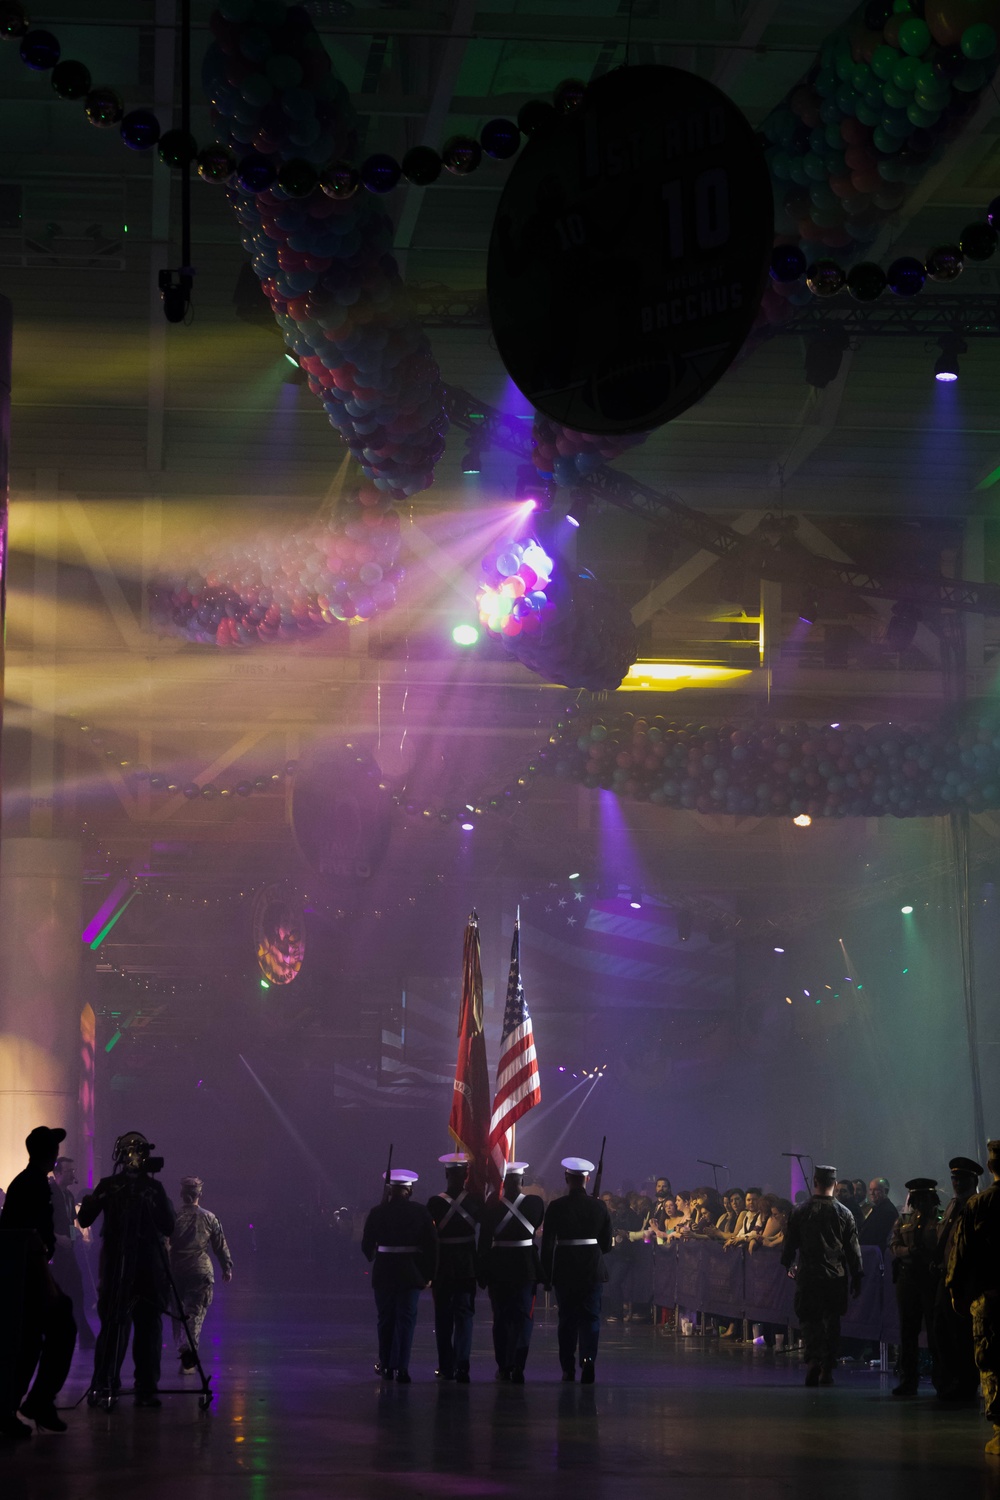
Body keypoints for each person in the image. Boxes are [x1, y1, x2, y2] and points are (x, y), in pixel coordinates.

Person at [78, 1130, 176, 1409]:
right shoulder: (110, 1185)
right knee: (114, 1326)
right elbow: (85, 1218)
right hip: (118, 1266)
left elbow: (169, 1225)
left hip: (147, 1268)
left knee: (147, 1328)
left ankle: (145, 1387)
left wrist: (153, 1202)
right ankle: (105, 1381)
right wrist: (100, 1196)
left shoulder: (154, 1189)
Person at [0, 1126, 77, 1439]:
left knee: (28, 1343)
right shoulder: (35, 1185)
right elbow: (32, 1238)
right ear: (51, 1154)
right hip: (29, 1274)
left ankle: (18, 1408)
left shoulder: (24, 1182)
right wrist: (46, 1280)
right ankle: (37, 1402)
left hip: (22, 1275)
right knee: (58, 1329)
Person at [781, 1164, 863, 1387]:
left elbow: (789, 1245)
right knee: (832, 1321)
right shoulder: (845, 1213)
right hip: (835, 1276)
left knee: (809, 1320)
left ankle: (813, 1361)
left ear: (815, 1181)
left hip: (808, 1275)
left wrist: (787, 1263)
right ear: (835, 1185)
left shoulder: (800, 1210)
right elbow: (853, 1248)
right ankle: (827, 1367)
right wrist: (857, 1276)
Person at [946, 1138, 1000, 1456]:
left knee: (992, 1362)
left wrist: (956, 1290)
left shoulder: (978, 1205)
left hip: (991, 1299)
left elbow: (961, 1253)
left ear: (990, 1166)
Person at [540, 1156, 614, 1385]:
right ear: (587, 1179)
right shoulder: (599, 1205)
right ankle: (589, 1359)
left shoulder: (556, 1206)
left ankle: (568, 1368)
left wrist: (547, 1275)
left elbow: (548, 1244)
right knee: (591, 1318)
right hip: (591, 1269)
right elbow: (607, 1245)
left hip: (564, 1270)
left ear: (566, 1178)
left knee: (567, 1320)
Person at [361, 1167, 436, 1383]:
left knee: (385, 1320)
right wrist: (428, 1273)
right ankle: (402, 1367)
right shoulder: (421, 1212)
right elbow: (432, 1245)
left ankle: (385, 1365)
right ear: (409, 1190)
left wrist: (373, 1253)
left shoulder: (377, 1212)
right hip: (410, 1274)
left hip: (384, 1272)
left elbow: (367, 1246)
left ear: (389, 1190)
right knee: (406, 1321)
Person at [477, 1160, 544, 1383]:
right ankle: (518, 1364)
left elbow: (484, 1242)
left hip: (499, 1269)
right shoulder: (535, 1203)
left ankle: (504, 1364)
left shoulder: (491, 1205)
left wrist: (482, 1272)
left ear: (503, 1182)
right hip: (525, 1269)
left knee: (502, 1319)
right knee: (523, 1318)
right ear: (522, 1181)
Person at [426, 1152, 483, 1383]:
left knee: (443, 1319)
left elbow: (429, 1239)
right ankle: (463, 1366)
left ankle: (446, 1366)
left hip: (443, 1267)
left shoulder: (434, 1203)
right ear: (466, 1175)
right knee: (464, 1318)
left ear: (446, 1174)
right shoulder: (475, 1201)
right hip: (467, 1267)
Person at [168, 1177, 233, 1373]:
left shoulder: (173, 1216)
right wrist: (226, 1267)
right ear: (200, 1194)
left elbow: (163, 1244)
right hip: (200, 1269)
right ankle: (189, 1352)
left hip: (176, 1269)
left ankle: (183, 1348)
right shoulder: (210, 1218)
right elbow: (220, 1245)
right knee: (195, 1313)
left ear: (181, 1194)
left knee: (177, 1313)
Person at [932, 1155, 983, 1403]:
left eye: (962, 1179)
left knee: (962, 1334)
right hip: (946, 1276)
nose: (957, 1183)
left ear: (973, 1180)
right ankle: (949, 1381)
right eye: (954, 1178)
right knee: (942, 1330)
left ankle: (965, 1385)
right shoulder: (953, 1205)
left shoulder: (976, 1205)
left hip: (965, 1279)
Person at [889, 1177, 942, 1397]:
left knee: (935, 1331)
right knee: (907, 1331)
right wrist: (909, 1252)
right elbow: (894, 1245)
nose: (919, 1203)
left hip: (930, 1278)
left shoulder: (941, 1219)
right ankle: (908, 1379)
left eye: (923, 1198)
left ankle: (941, 1379)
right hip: (907, 1277)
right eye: (916, 1198)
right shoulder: (904, 1219)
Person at [49, 1156, 95, 1352]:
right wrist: (57, 1237)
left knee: (77, 1290)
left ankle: (83, 1333)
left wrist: (75, 1234)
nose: (73, 1174)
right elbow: (41, 1221)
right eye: (69, 1171)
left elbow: (70, 1221)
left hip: (68, 1253)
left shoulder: (68, 1195)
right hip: (53, 1253)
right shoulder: (50, 1194)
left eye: (73, 1171)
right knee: (57, 1294)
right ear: (57, 1173)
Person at [859, 1178, 898, 1251]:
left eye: (876, 1190)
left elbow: (879, 1236)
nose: (872, 1193)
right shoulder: (878, 1209)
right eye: (870, 1189)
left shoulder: (887, 1211)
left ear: (885, 1191)